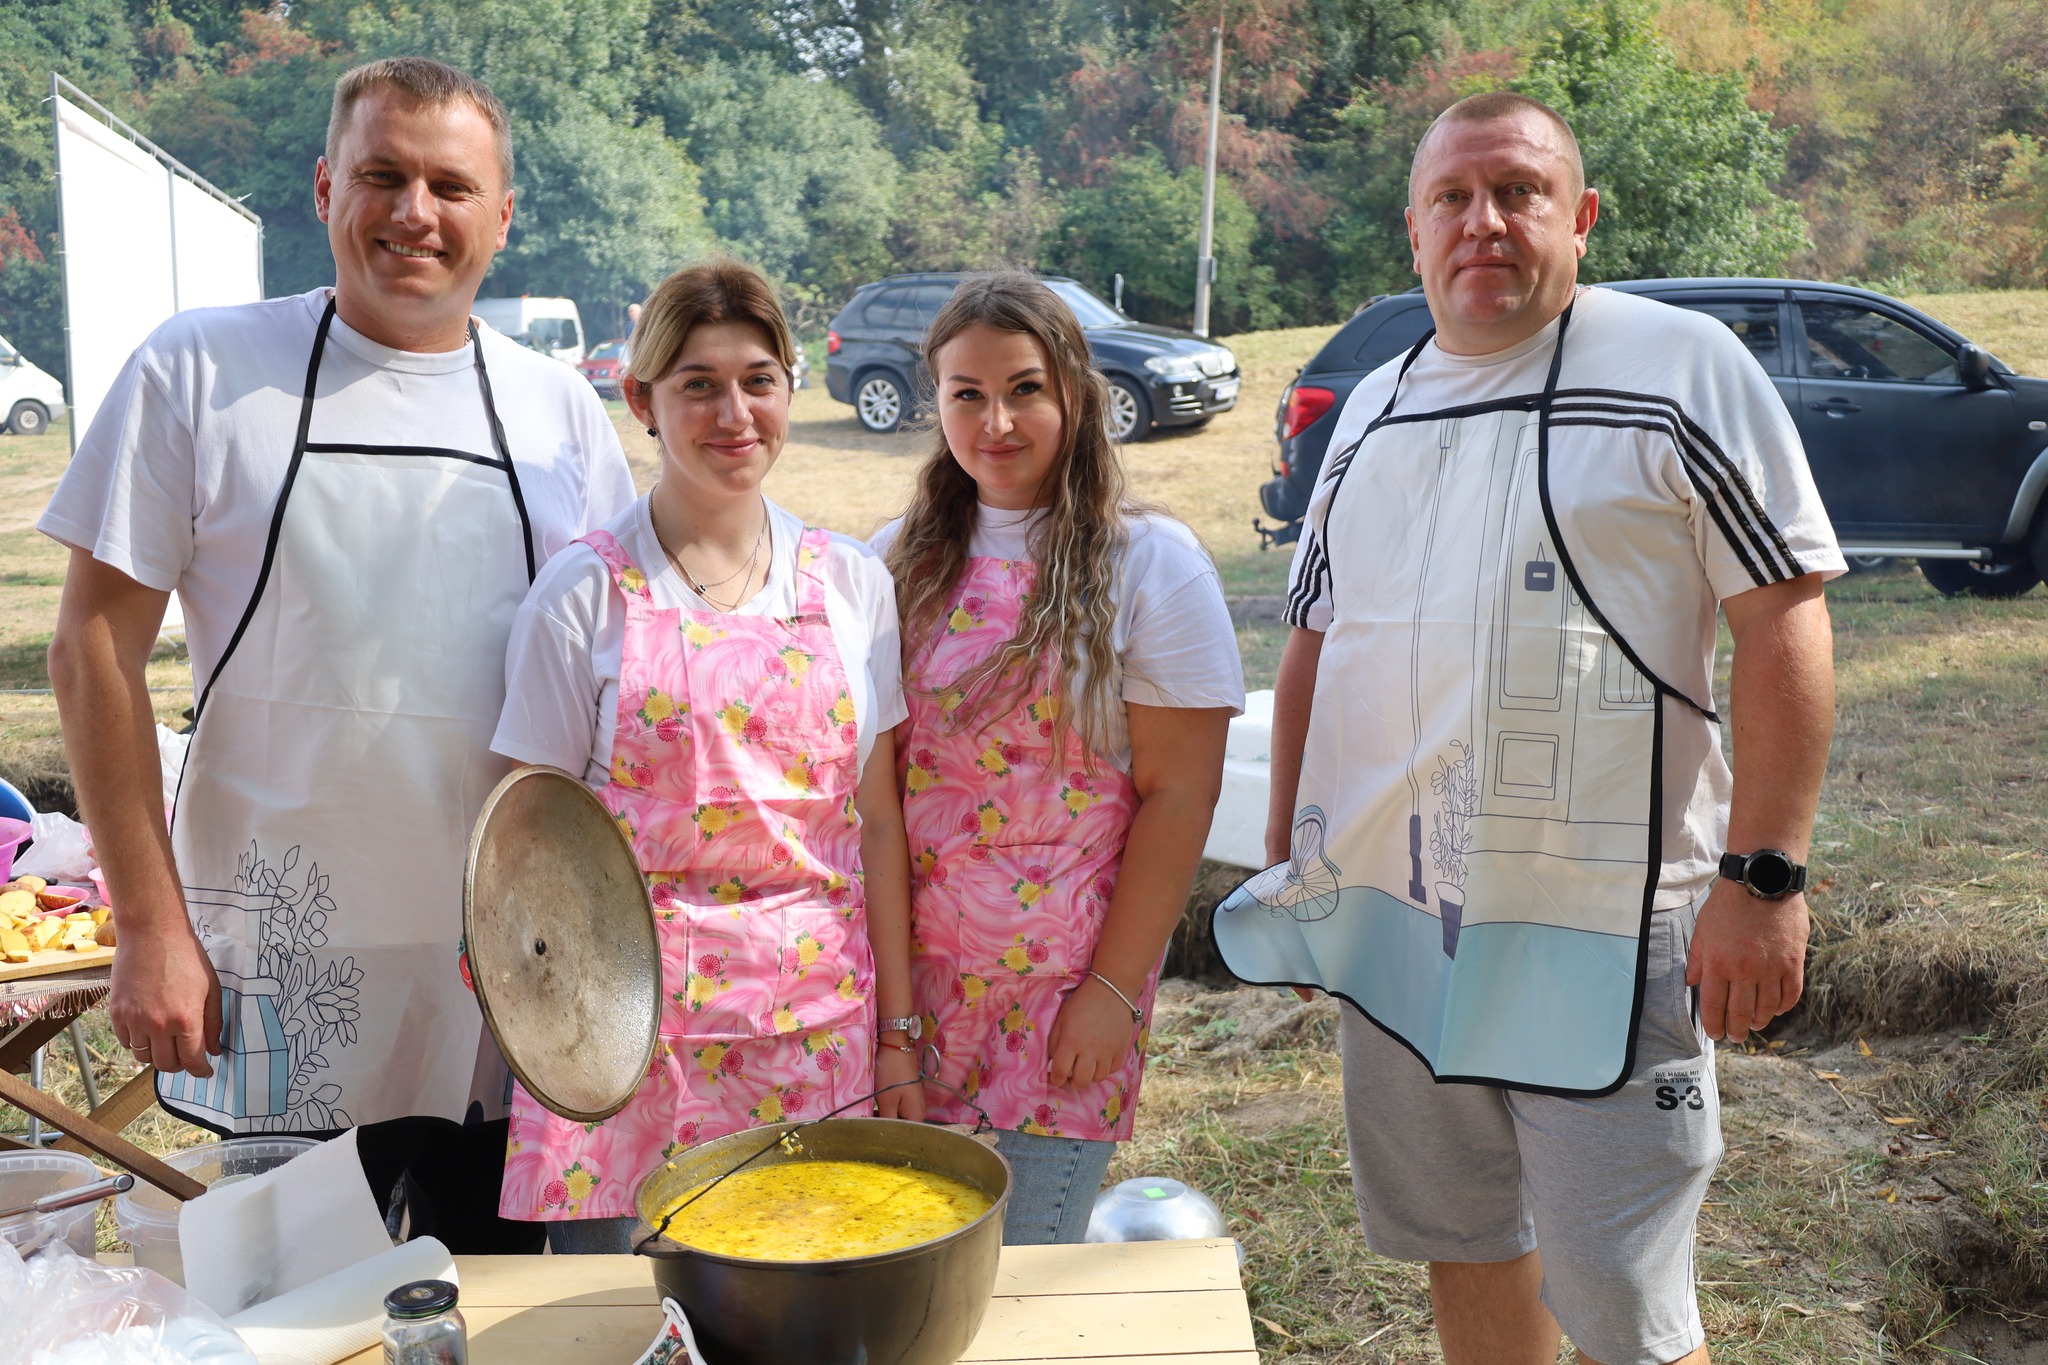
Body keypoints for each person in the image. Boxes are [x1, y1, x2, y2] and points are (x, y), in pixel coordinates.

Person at [1213, 93, 1842, 1365]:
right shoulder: (1368, 416)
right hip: (1398, 924)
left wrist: (1763, 878)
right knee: (1464, 1242)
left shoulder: (1675, 368)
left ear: (1581, 217)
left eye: (1517, 192)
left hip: (1602, 928)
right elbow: (1317, 645)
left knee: (1621, 1300)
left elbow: (1783, 618)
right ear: (1411, 229)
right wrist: (1288, 860)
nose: (1481, 222)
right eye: (1451, 197)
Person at [40, 57, 635, 1252]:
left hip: (509, 968)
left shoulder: (560, 410)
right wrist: (151, 925)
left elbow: (621, 671)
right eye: (384, 176)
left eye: (451, 186)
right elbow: (93, 646)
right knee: (298, 1315)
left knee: (510, 1313)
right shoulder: (200, 371)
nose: (416, 212)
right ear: (325, 189)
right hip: (277, 962)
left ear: (502, 216)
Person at [490, 260, 923, 1253]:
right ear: (641, 400)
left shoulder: (852, 586)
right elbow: (523, 846)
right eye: (698, 384)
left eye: (757, 379)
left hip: (815, 1037)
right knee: (627, 1327)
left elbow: (879, 828)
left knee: (804, 1316)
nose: (734, 413)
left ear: (787, 385)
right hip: (630, 1047)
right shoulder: (582, 597)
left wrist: (897, 1039)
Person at [875, 274, 1242, 1244]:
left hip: (1062, 1016)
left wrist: (1112, 996)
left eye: (1024, 388)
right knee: (903, 1266)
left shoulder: (1151, 564)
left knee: (1021, 1275)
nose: (995, 420)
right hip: (909, 1008)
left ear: (1072, 394)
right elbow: (868, 799)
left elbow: (1178, 795)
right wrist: (891, 1024)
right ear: (937, 403)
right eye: (966, 393)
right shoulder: (891, 565)